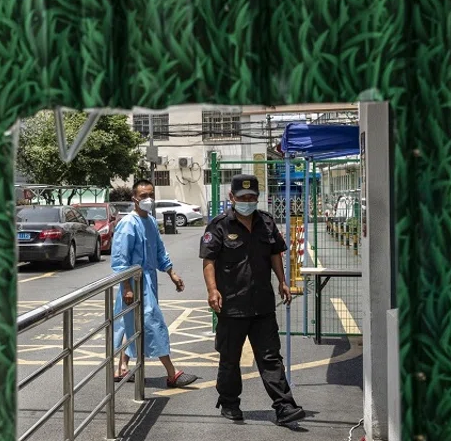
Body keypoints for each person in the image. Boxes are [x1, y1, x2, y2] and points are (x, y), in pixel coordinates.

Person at [199, 174, 306, 425]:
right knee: (230, 358)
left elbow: (275, 253)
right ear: (232, 197)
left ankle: (284, 406)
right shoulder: (219, 226)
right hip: (231, 305)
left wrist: (282, 281)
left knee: (271, 357)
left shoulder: (266, 222)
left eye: (252, 197)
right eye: (243, 197)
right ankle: (229, 402)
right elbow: (209, 261)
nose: (247, 201)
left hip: (262, 304)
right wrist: (212, 290)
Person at [112, 179, 198, 388]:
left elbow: (159, 251)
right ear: (134, 198)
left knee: (133, 323)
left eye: (151, 195)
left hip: (147, 281)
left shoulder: (150, 221)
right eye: (143, 196)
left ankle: (121, 367)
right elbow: (120, 259)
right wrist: (127, 288)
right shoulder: (128, 224)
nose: (148, 199)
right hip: (134, 283)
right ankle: (172, 373)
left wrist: (172, 273)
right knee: (152, 323)